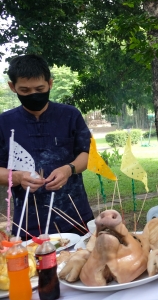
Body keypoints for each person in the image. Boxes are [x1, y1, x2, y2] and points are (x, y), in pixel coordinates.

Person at [0, 55, 93, 239]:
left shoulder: (70, 115)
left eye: (39, 89)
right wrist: (17, 176)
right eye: (24, 90)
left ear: (50, 84)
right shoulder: (4, 123)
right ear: (13, 87)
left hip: (75, 215)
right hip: (28, 222)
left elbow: (86, 154)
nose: (33, 94)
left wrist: (69, 169)